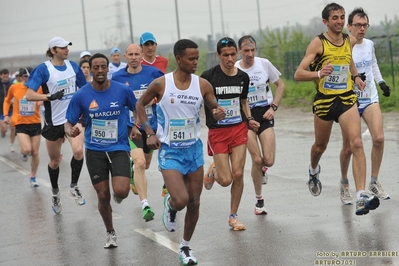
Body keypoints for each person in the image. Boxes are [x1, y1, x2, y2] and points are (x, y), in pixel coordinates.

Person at [135, 39, 225, 265]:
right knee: (181, 199)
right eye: (191, 58)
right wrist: (149, 132)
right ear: (179, 58)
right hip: (170, 151)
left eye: (197, 58)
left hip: (193, 150)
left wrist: (217, 110)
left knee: (194, 201)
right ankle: (171, 206)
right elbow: (140, 105)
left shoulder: (202, 84)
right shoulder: (161, 84)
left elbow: (213, 104)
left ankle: (185, 247)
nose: (196, 62)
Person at [293, 3, 380, 215]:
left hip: (346, 98)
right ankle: (314, 169)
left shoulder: (348, 40)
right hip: (324, 101)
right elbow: (298, 74)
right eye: (335, 18)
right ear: (326, 21)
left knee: (356, 142)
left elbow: (348, 59)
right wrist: (319, 74)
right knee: (320, 147)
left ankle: (361, 195)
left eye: (342, 17)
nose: (340, 21)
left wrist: (356, 76)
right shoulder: (318, 43)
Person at [65, 53, 138, 249]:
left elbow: (138, 108)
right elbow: (68, 122)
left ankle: (121, 186)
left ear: (107, 69)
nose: (99, 70)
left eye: (102, 67)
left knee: (121, 192)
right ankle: (110, 232)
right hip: (95, 150)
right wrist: (69, 130)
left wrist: (136, 126)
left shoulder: (122, 90)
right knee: (103, 195)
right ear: (90, 69)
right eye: (95, 67)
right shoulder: (81, 96)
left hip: (119, 147)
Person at [201, 37, 259, 230]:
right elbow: (205, 105)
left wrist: (250, 119)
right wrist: (214, 112)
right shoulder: (208, 77)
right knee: (226, 180)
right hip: (218, 131)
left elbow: (243, 102)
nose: (229, 58)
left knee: (239, 173)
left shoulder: (243, 77)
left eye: (233, 54)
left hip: (238, 128)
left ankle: (233, 216)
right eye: (225, 55)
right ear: (218, 55)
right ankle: (214, 170)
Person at [25, 36, 87, 214]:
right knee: (54, 161)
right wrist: (49, 97)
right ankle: (55, 192)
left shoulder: (73, 67)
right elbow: (29, 95)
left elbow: (84, 90)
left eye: (67, 46)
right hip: (53, 122)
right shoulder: (44, 70)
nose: (66, 49)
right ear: (53, 51)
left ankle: (73, 186)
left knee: (78, 152)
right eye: (62, 47)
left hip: (72, 119)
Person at [338, 7, 391, 205]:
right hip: (348, 102)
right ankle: (344, 184)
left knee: (378, 138)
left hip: (369, 97)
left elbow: (373, 64)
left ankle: (374, 182)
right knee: (349, 147)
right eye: (358, 25)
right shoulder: (342, 45)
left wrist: (381, 81)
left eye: (365, 25)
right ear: (349, 26)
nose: (362, 29)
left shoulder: (369, 44)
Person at [112, 43, 164, 222]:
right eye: (130, 54)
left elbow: (165, 94)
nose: (134, 57)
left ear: (142, 55)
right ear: (125, 57)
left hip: (151, 126)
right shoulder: (117, 77)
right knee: (140, 162)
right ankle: (145, 204)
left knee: (146, 164)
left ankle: (134, 173)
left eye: (136, 54)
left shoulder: (153, 74)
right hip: (130, 128)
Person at [235, 35, 285, 215]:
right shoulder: (234, 69)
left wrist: (274, 107)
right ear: (240, 51)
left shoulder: (264, 64)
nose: (250, 54)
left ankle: (263, 168)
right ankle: (259, 201)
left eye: (252, 50)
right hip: (245, 116)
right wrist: (246, 117)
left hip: (264, 112)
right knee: (256, 159)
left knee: (268, 160)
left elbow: (280, 85)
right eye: (246, 50)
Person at [139, 31, 169, 197]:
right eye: (146, 45)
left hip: (161, 110)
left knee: (165, 145)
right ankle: (135, 169)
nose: (150, 48)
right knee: (146, 162)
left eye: (152, 44)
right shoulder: (139, 62)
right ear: (142, 47)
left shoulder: (163, 61)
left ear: (156, 45)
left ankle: (167, 184)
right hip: (144, 112)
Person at [3, 67, 42, 187]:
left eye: (30, 77)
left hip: (35, 122)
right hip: (21, 123)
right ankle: (23, 152)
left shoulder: (38, 88)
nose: (28, 79)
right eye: (25, 76)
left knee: (35, 152)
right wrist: (5, 115)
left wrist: (40, 101)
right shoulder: (14, 87)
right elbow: (7, 100)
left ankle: (33, 176)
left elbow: (45, 98)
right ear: (21, 77)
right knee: (27, 150)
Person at [1, 68, 16, 151]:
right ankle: (2, 131)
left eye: (7, 76)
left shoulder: (11, 85)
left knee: (13, 127)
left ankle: (11, 144)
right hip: (0, 110)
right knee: (4, 128)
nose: (5, 78)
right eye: (4, 77)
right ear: (1, 76)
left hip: (10, 110)